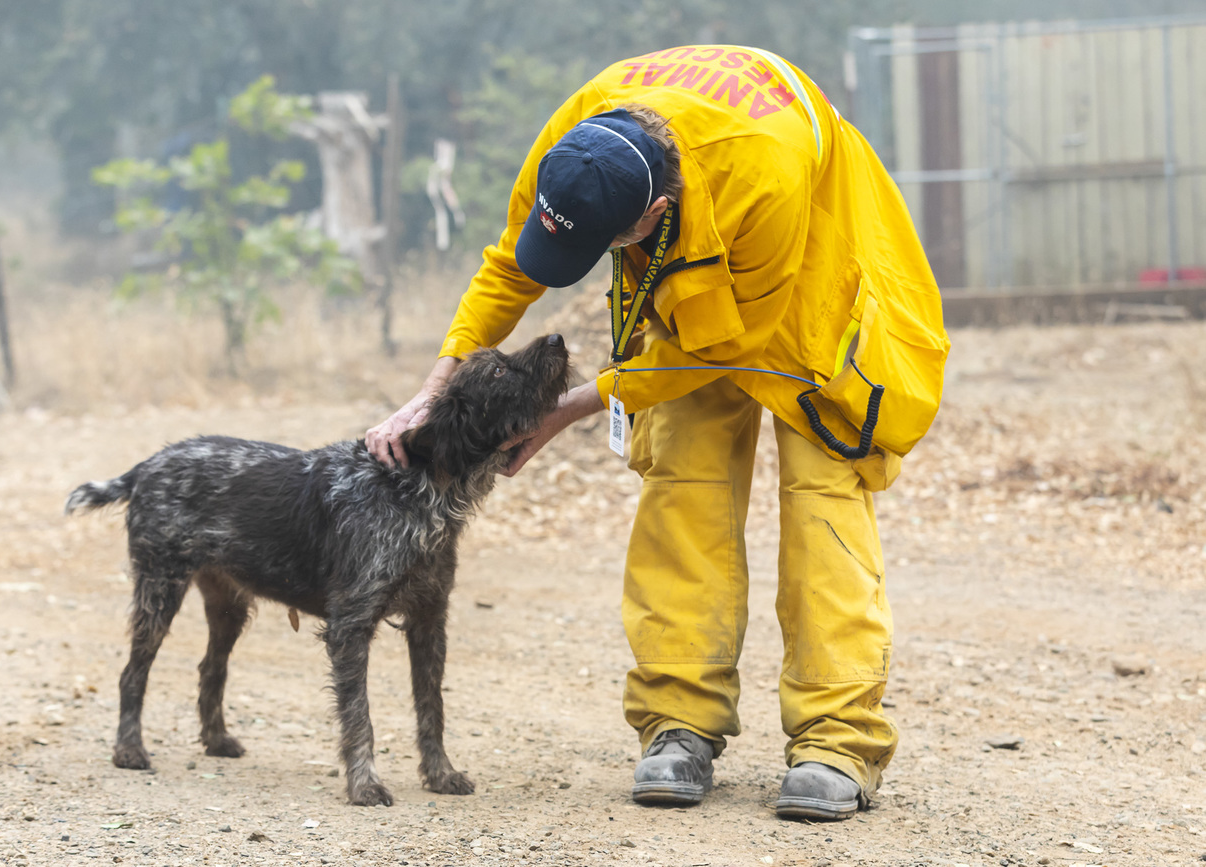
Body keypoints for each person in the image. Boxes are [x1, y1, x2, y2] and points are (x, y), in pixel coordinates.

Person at [366, 44, 949, 820]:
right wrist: (431, 387)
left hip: (814, 280)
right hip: (687, 287)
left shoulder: (761, 170)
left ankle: (835, 740)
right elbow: (511, 268)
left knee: (821, 503)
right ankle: (680, 721)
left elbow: (727, 349)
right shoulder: (577, 136)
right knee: (682, 487)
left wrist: (569, 406)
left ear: (651, 216)